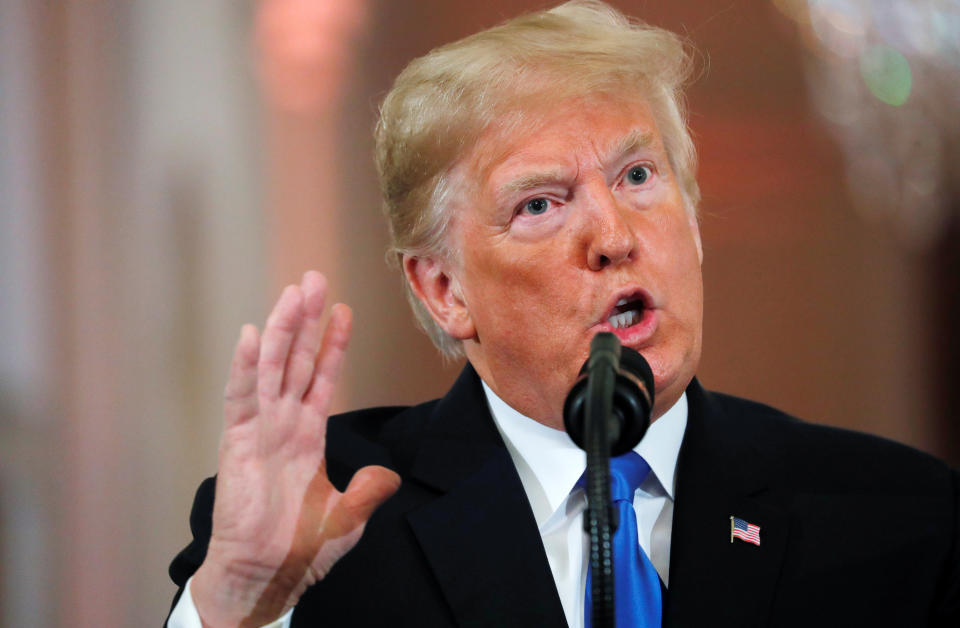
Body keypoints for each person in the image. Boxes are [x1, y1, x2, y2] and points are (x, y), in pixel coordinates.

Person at [167, 2, 960, 626]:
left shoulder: (898, 514)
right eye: (541, 203)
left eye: (640, 175)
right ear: (446, 291)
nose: (615, 237)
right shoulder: (328, 517)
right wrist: (236, 606)